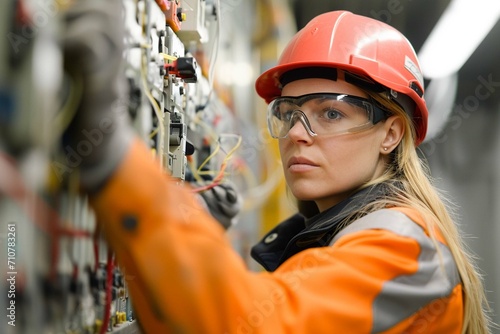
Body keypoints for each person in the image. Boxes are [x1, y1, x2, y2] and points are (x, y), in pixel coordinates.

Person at [63, 4, 491, 333]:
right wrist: (191, 233)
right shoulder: (340, 235)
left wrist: (114, 158)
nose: (297, 134)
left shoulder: (401, 245)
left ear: (391, 134)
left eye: (331, 114)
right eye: (288, 112)